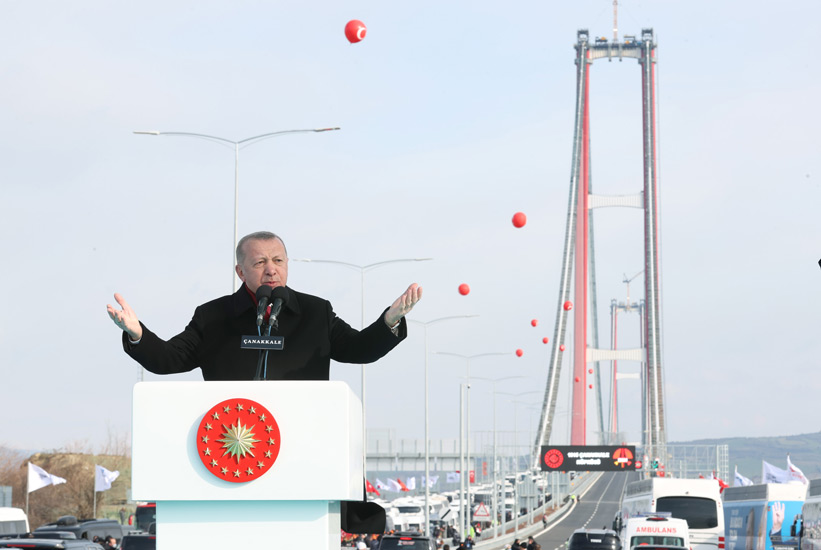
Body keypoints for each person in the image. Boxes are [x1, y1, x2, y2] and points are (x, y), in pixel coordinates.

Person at [107, 231, 422, 380]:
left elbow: (358, 350)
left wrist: (389, 322)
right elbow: (168, 359)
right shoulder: (213, 317)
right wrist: (138, 334)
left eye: (278, 260)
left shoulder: (316, 313)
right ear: (240, 272)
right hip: (233, 443)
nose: (271, 269)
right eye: (260, 262)